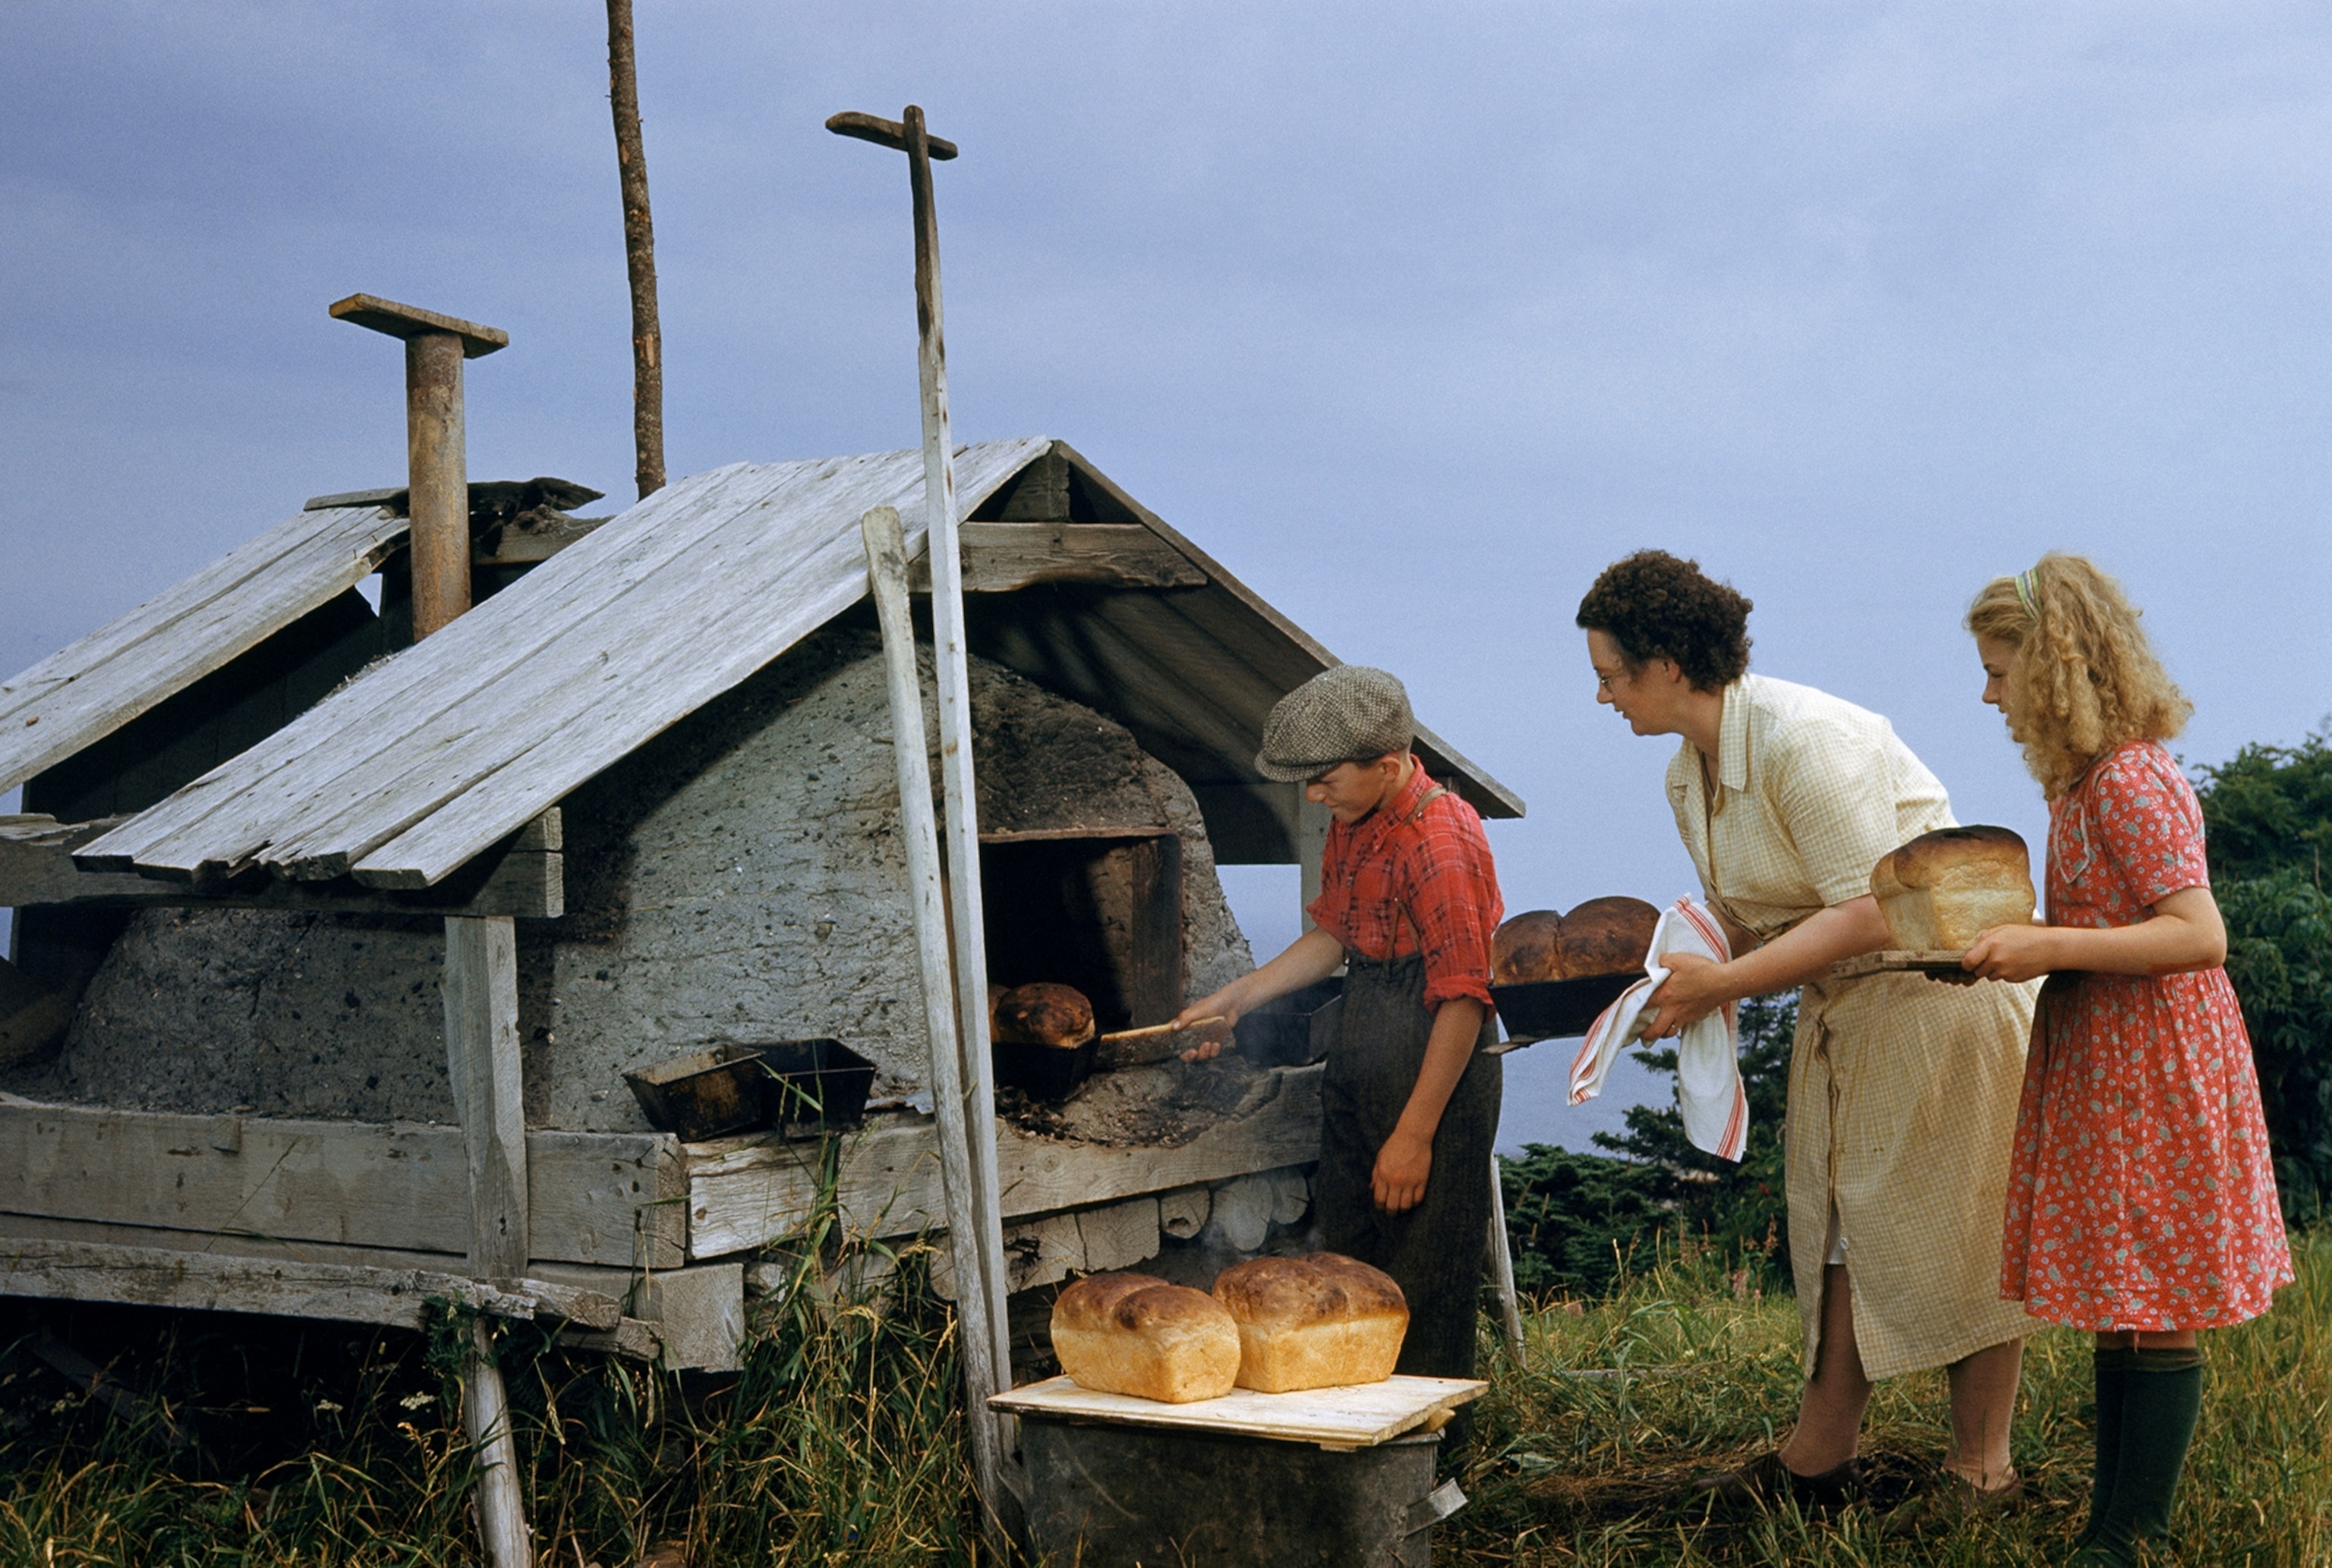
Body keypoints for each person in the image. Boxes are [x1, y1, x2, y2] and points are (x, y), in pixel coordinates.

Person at [1574, 549, 2037, 1513]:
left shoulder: (1802, 739)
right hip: (1850, 1016)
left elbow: (1876, 908)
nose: (1604, 693)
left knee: (1961, 1235)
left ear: (1666, 662)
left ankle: (1981, 1472)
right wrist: (1669, 988)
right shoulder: (1685, 776)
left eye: (1611, 672)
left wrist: (1726, 984)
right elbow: (1755, 916)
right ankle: (1817, 1457)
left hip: (1942, 1000)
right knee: (1837, 1232)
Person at [1962, 555, 2293, 1566]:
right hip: (2111, 1062)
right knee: (2124, 1300)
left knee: (2160, 1305)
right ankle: (2111, 1524)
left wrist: (2048, 946)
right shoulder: (2082, 787)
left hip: (2156, 1066)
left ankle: (2131, 1536)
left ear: (2053, 666)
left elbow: (2198, 934)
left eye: (1998, 669)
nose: (1990, 693)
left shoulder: (2134, 779)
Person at [1175, 665, 1504, 1386]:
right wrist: (1241, 997)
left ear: (1387, 766)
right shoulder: (1357, 822)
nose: (1312, 796)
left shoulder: (1439, 841)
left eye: (1322, 780)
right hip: (1364, 1046)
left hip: (1435, 1069)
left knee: (1422, 1279)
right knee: (1347, 1261)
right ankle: (1349, 1431)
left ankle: (1429, 1459)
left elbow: (1465, 999)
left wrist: (1413, 1138)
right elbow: (1335, 932)